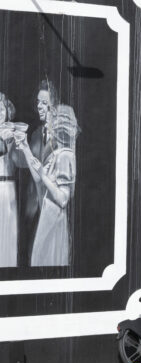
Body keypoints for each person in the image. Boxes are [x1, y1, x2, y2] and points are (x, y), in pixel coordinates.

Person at [17, 104, 79, 266]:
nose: (47, 126)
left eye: (51, 122)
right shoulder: (56, 153)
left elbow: (63, 199)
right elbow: (38, 178)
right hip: (48, 217)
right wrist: (25, 148)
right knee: (39, 259)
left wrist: (44, 175)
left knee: (47, 261)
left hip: (55, 220)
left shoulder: (65, 156)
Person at [0, 92, 25, 267]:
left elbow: (21, 163)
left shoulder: (14, 131)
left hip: (7, 187)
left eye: (1, 109)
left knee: (8, 234)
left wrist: (16, 144)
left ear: (8, 111)